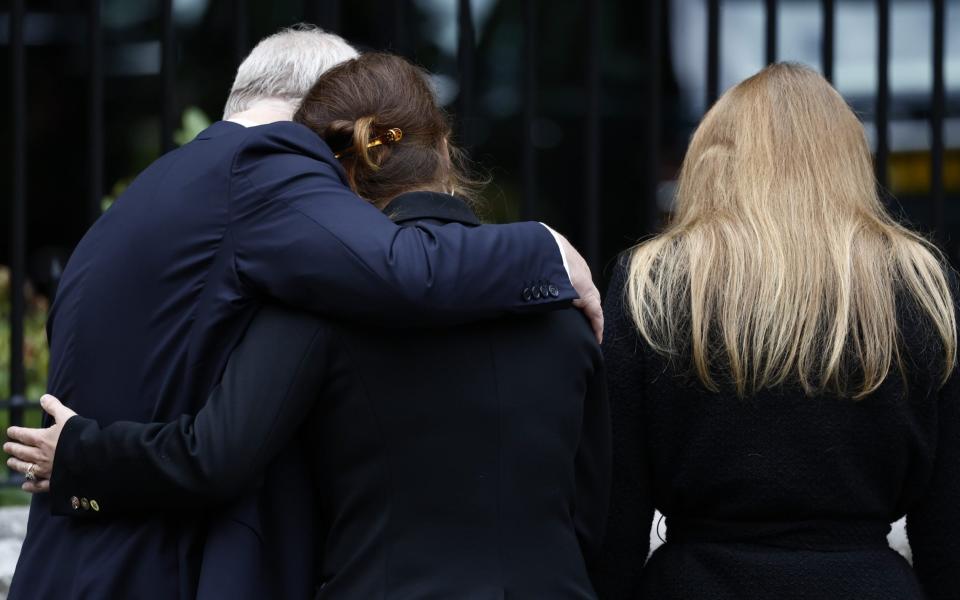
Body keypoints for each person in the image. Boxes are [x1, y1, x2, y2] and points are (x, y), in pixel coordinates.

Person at [5, 26, 601, 600]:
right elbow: (401, 268)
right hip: (146, 563)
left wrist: (86, 460)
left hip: (90, 559)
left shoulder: (157, 193)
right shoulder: (268, 162)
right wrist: (545, 249)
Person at [596, 63, 959, 600]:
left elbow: (615, 513)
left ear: (713, 159)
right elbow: (949, 527)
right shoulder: (922, 285)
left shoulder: (656, 282)